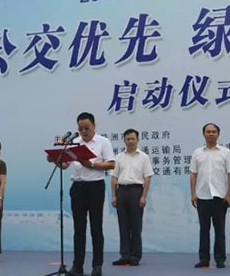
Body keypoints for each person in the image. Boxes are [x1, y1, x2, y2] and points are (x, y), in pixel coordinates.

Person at [47, 112, 115, 276]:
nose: (84, 131)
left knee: (96, 228)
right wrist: (55, 159)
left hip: (95, 187)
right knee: (79, 229)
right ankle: (78, 266)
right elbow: (65, 166)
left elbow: (111, 164)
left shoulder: (103, 141)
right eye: (80, 128)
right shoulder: (74, 143)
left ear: (94, 126)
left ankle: (97, 266)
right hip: (78, 188)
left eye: (87, 128)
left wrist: (91, 165)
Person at [189, 123, 230, 269]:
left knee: (220, 230)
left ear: (218, 134)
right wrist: (193, 194)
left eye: (214, 132)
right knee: (204, 230)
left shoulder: (225, 152)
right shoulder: (197, 152)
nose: (211, 134)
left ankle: (220, 259)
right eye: (208, 131)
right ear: (203, 134)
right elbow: (193, 174)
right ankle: (204, 259)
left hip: (220, 197)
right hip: (202, 196)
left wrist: (229, 194)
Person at [110, 128, 154, 267]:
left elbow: (147, 178)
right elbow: (114, 178)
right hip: (121, 191)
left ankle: (135, 255)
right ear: (124, 140)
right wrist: (114, 196)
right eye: (127, 139)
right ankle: (124, 255)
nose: (130, 141)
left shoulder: (143, 157)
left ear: (137, 140)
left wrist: (143, 196)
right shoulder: (119, 157)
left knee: (135, 225)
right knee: (123, 225)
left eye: (132, 139)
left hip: (136, 191)